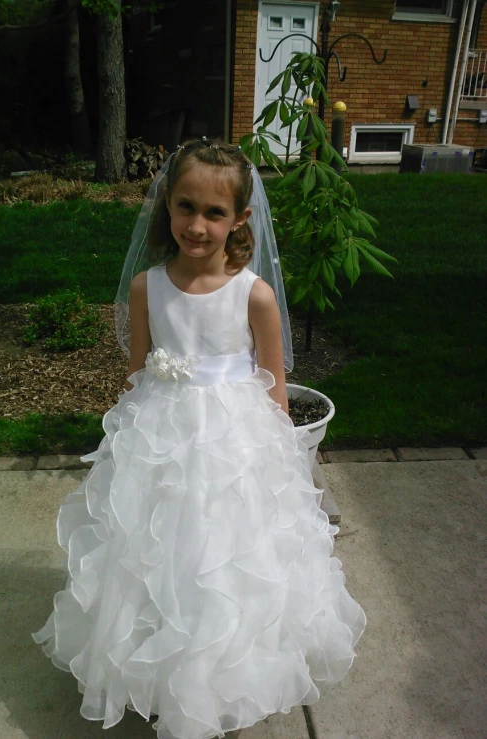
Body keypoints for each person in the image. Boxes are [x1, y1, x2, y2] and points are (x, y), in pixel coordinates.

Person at [32, 139, 366, 739]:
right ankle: (155, 666)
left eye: (215, 213)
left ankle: (221, 674)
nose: (197, 225)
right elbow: (136, 371)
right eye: (186, 207)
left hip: (233, 447)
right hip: (160, 436)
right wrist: (130, 440)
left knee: (224, 553)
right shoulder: (146, 287)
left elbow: (274, 388)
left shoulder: (253, 294)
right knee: (155, 551)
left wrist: (276, 464)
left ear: (240, 218)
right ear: (167, 205)